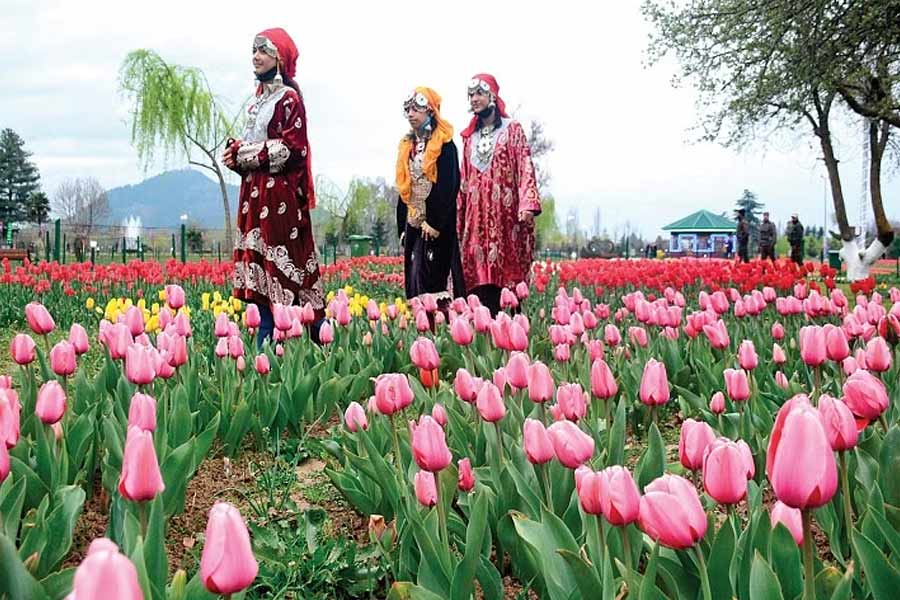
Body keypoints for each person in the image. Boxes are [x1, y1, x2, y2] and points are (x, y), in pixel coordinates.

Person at [223, 28, 325, 347]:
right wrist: (234, 156)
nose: (255, 57)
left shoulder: (289, 99)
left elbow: (293, 150)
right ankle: (265, 335)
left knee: (282, 269)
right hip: (254, 198)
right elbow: (258, 147)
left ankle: (284, 338)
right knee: (258, 271)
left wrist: (245, 153)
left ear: (279, 58)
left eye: (263, 51)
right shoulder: (258, 103)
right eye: (253, 51)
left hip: (279, 200)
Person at [457, 74, 541, 315]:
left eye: (479, 94)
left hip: (505, 218)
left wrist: (527, 203)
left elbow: (525, 164)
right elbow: (463, 180)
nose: (474, 99)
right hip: (476, 220)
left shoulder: (512, 129)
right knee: (478, 278)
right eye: (470, 95)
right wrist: (458, 215)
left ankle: (512, 331)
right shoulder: (468, 138)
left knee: (506, 279)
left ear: (492, 96)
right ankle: (482, 328)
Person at [395, 87, 462, 307]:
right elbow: (404, 187)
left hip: (436, 227)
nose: (411, 114)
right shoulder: (408, 147)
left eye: (416, 109)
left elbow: (449, 186)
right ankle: (419, 330)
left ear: (431, 111)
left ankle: (440, 329)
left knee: (434, 279)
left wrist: (434, 222)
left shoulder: (445, 146)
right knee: (414, 278)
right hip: (413, 223)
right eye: (408, 110)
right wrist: (402, 227)